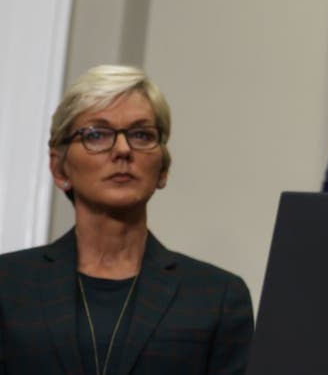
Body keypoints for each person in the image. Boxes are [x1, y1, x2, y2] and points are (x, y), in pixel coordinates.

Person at [0, 65, 253, 374]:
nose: (122, 150)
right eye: (96, 134)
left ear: (163, 169)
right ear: (60, 168)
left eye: (141, 134)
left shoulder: (217, 296)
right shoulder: (8, 285)